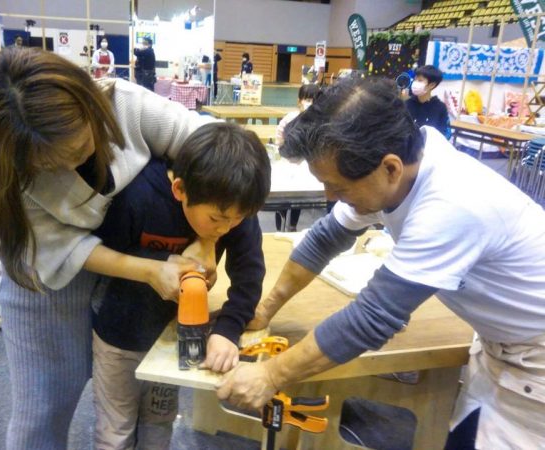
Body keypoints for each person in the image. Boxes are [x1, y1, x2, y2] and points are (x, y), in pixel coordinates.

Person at [217, 77, 545, 449]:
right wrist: (265, 309)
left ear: (389, 168)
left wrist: (270, 375)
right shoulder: (407, 167)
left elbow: (371, 319)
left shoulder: (452, 204)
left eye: (338, 187)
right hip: (499, 349)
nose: (329, 196)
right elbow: (326, 238)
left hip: (536, 361)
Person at [0, 47, 212, 449]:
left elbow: (211, 148)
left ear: (88, 102)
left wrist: (207, 239)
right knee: (42, 410)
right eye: (51, 163)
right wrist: (150, 269)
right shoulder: (8, 179)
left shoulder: (125, 105)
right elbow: (64, 249)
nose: (75, 161)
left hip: (134, 285)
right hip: (47, 289)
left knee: (143, 396)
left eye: (80, 143)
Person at [91, 122, 270, 449]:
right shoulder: (139, 195)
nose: (227, 227)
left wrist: (227, 330)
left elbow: (249, 274)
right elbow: (102, 254)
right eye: (217, 220)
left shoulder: (234, 206)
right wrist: (155, 266)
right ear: (180, 191)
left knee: (159, 419)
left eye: (238, 218)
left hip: (176, 337)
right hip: (119, 335)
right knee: (116, 428)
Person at [274, 83, 321, 232]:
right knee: (282, 197)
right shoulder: (290, 118)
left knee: (298, 198)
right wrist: (280, 147)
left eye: (313, 100)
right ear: (299, 100)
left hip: (304, 165)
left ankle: (293, 225)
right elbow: (279, 135)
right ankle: (279, 227)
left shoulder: (318, 122)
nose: (309, 103)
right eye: (307, 99)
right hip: (287, 162)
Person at [405, 64, 450, 139]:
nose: (415, 83)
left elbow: (443, 133)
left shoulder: (440, 107)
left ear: (431, 85)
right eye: (415, 79)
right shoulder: (407, 104)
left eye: (420, 80)